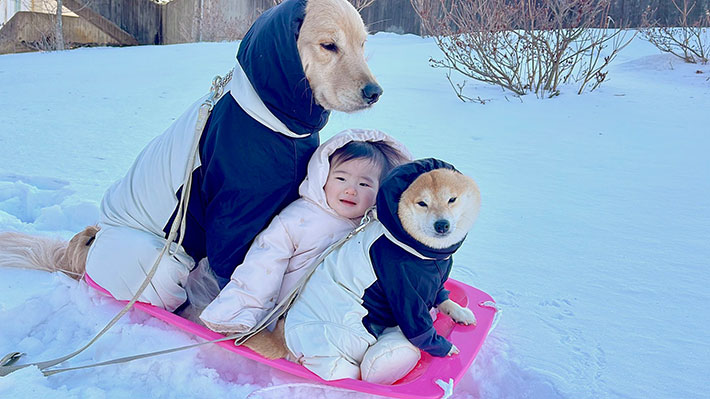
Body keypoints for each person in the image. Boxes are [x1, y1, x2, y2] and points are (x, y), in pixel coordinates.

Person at [198, 129, 410, 333]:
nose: (351, 189)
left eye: (364, 184)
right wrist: (244, 311)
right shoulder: (300, 219)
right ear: (322, 177)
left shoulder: (373, 230)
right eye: (341, 178)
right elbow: (264, 264)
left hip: (338, 317)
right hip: (286, 315)